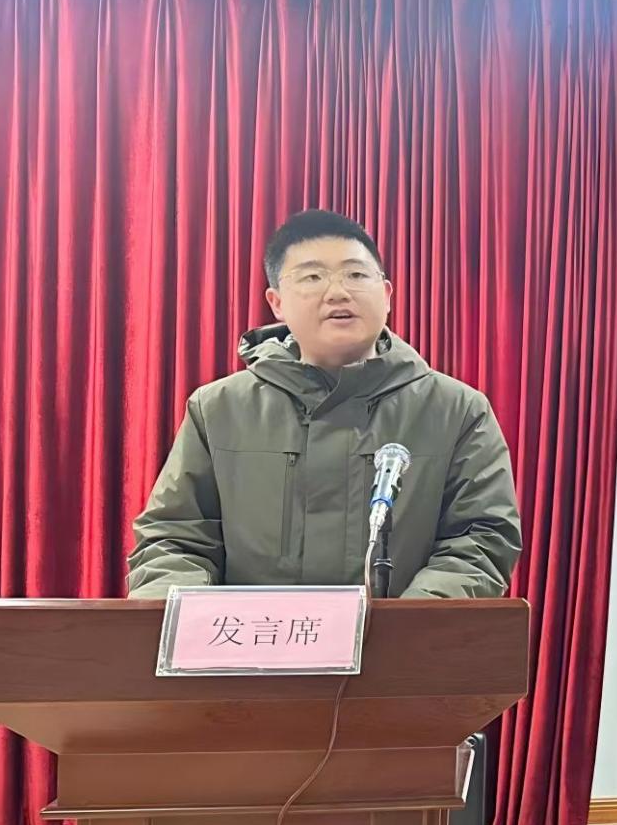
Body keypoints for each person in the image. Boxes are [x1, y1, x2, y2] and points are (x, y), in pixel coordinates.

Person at [127, 209, 521, 599]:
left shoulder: (456, 411)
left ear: (386, 295)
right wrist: (188, 621)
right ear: (276, 302)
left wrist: (408, 625)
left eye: (356, 275)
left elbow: (480, 540)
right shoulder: (219, 410)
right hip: (254, 640)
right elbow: (174, 539)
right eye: (312, 277)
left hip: (404, 640)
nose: (337, 292)